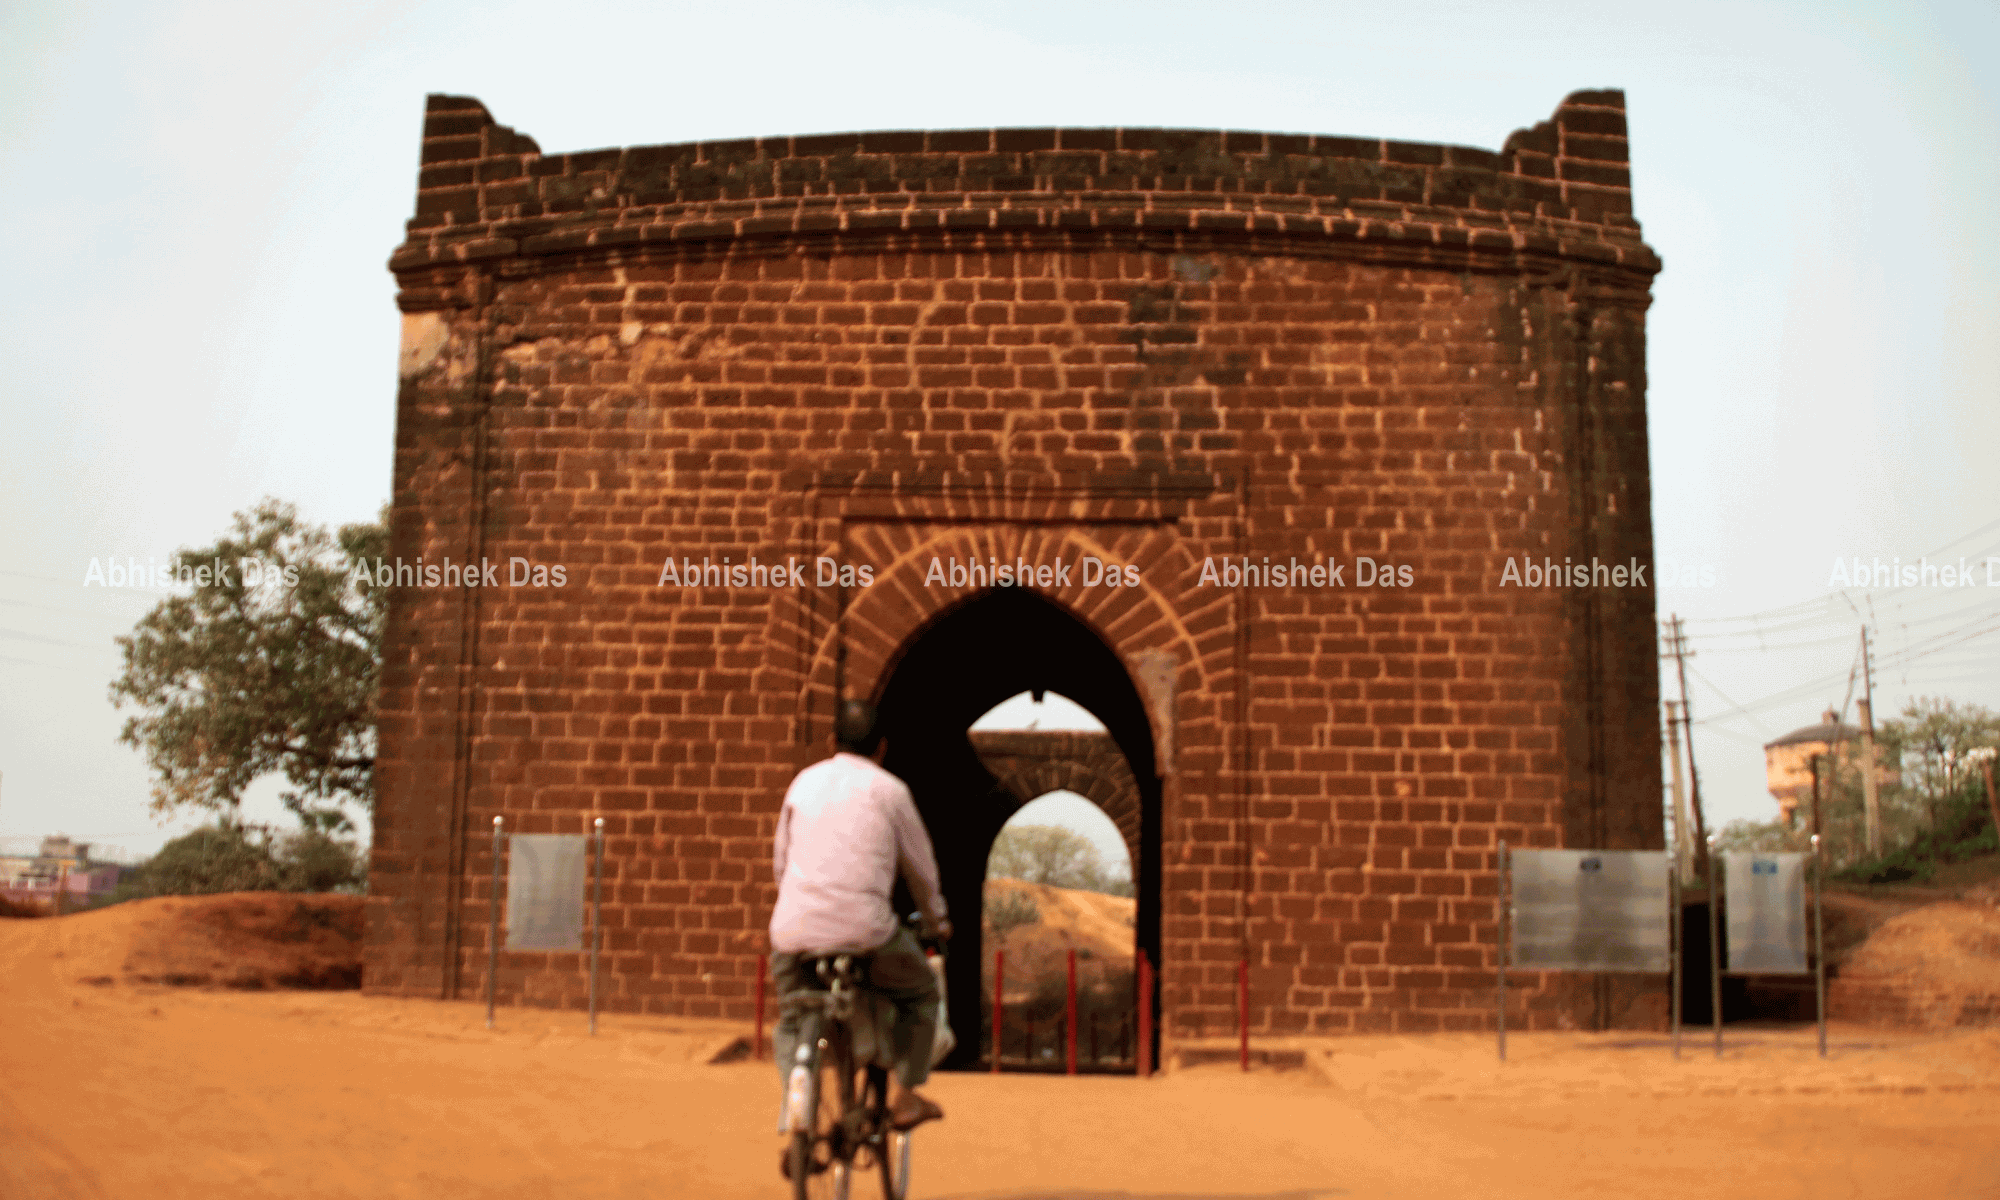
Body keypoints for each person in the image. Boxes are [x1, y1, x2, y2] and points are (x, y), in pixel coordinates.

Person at [769, 698, 951, 1131]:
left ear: (833, 741)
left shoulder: (801, 784)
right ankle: (904, 1092)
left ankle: (798, 1106)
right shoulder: (890, 791)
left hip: (794, 932)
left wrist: (800, 906)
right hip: (866, 934)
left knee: (793, 1017)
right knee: (921, 993)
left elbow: (781, 860)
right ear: (882, 748)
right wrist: (938, 919)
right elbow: (921, 869)